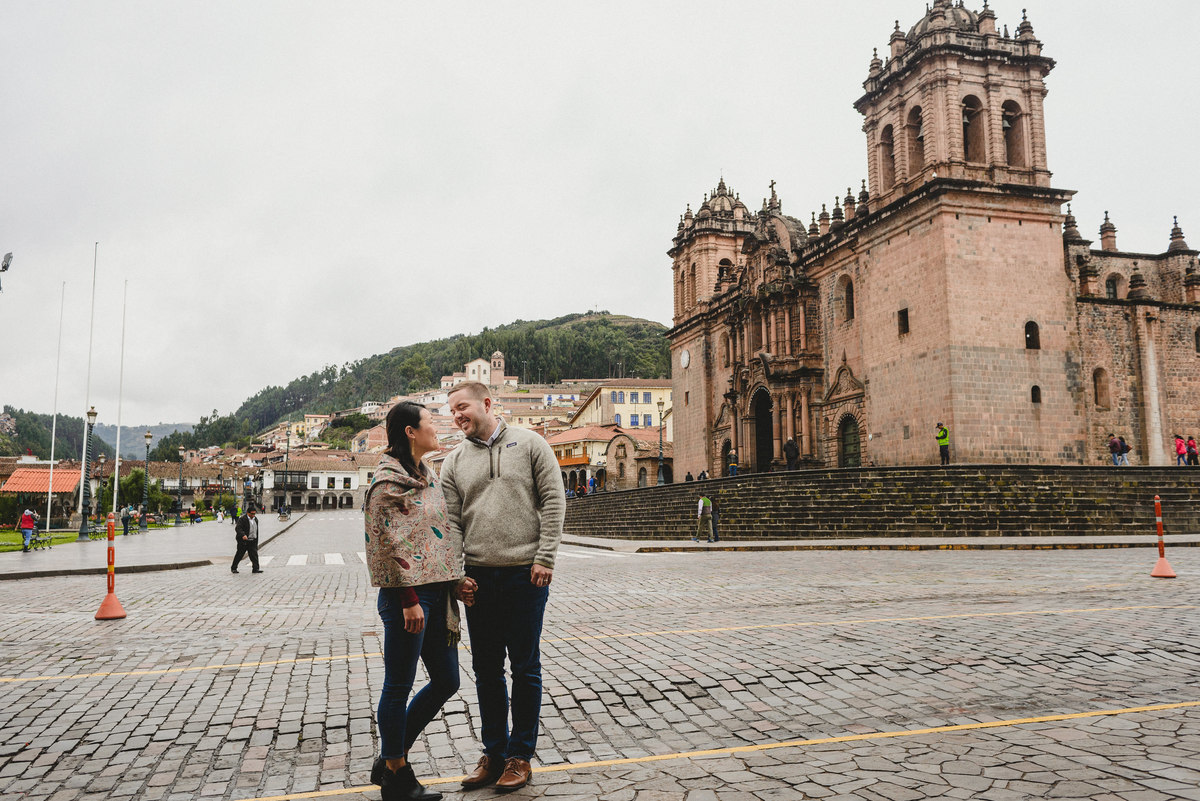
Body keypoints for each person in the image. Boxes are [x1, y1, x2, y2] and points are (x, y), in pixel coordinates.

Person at [441, 381, 565, 792]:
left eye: (462, 407)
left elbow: (554, 499)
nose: (457, 416)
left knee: (525, 667)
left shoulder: (531, 444)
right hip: (478, 577)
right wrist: (457, 576)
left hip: (525, 573)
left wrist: (545, 557)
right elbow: (451, 523)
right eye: (452, 411)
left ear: (487, 403)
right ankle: (494, 754)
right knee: (486, 669)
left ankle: (520, 756)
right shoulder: (453, 461)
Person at [365, 402, 477, 801]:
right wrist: (408, 598)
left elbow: (434, 536)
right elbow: (385, 542)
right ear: (410, 432)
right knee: (398, 685)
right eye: (430, 422)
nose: (436, 428)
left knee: (447, 680)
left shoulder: (427, 476)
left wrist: (454, 580)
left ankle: (390, 757)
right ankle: (397, 774)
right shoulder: (386, 483)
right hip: (406, 599)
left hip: (436, 593)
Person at [232, 507, 262, 574]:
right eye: (252, 514)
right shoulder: (242, 519)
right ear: (248, 513)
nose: (253, 515)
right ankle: (234, 568)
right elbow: (238, 528)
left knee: (254, 555)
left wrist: (256, 539)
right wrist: (243, 535)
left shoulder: (255, 519)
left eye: (254, 514)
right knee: (239, 555)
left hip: (253, 540)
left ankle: (255, 569)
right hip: (244, 541)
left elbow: (256, 530)